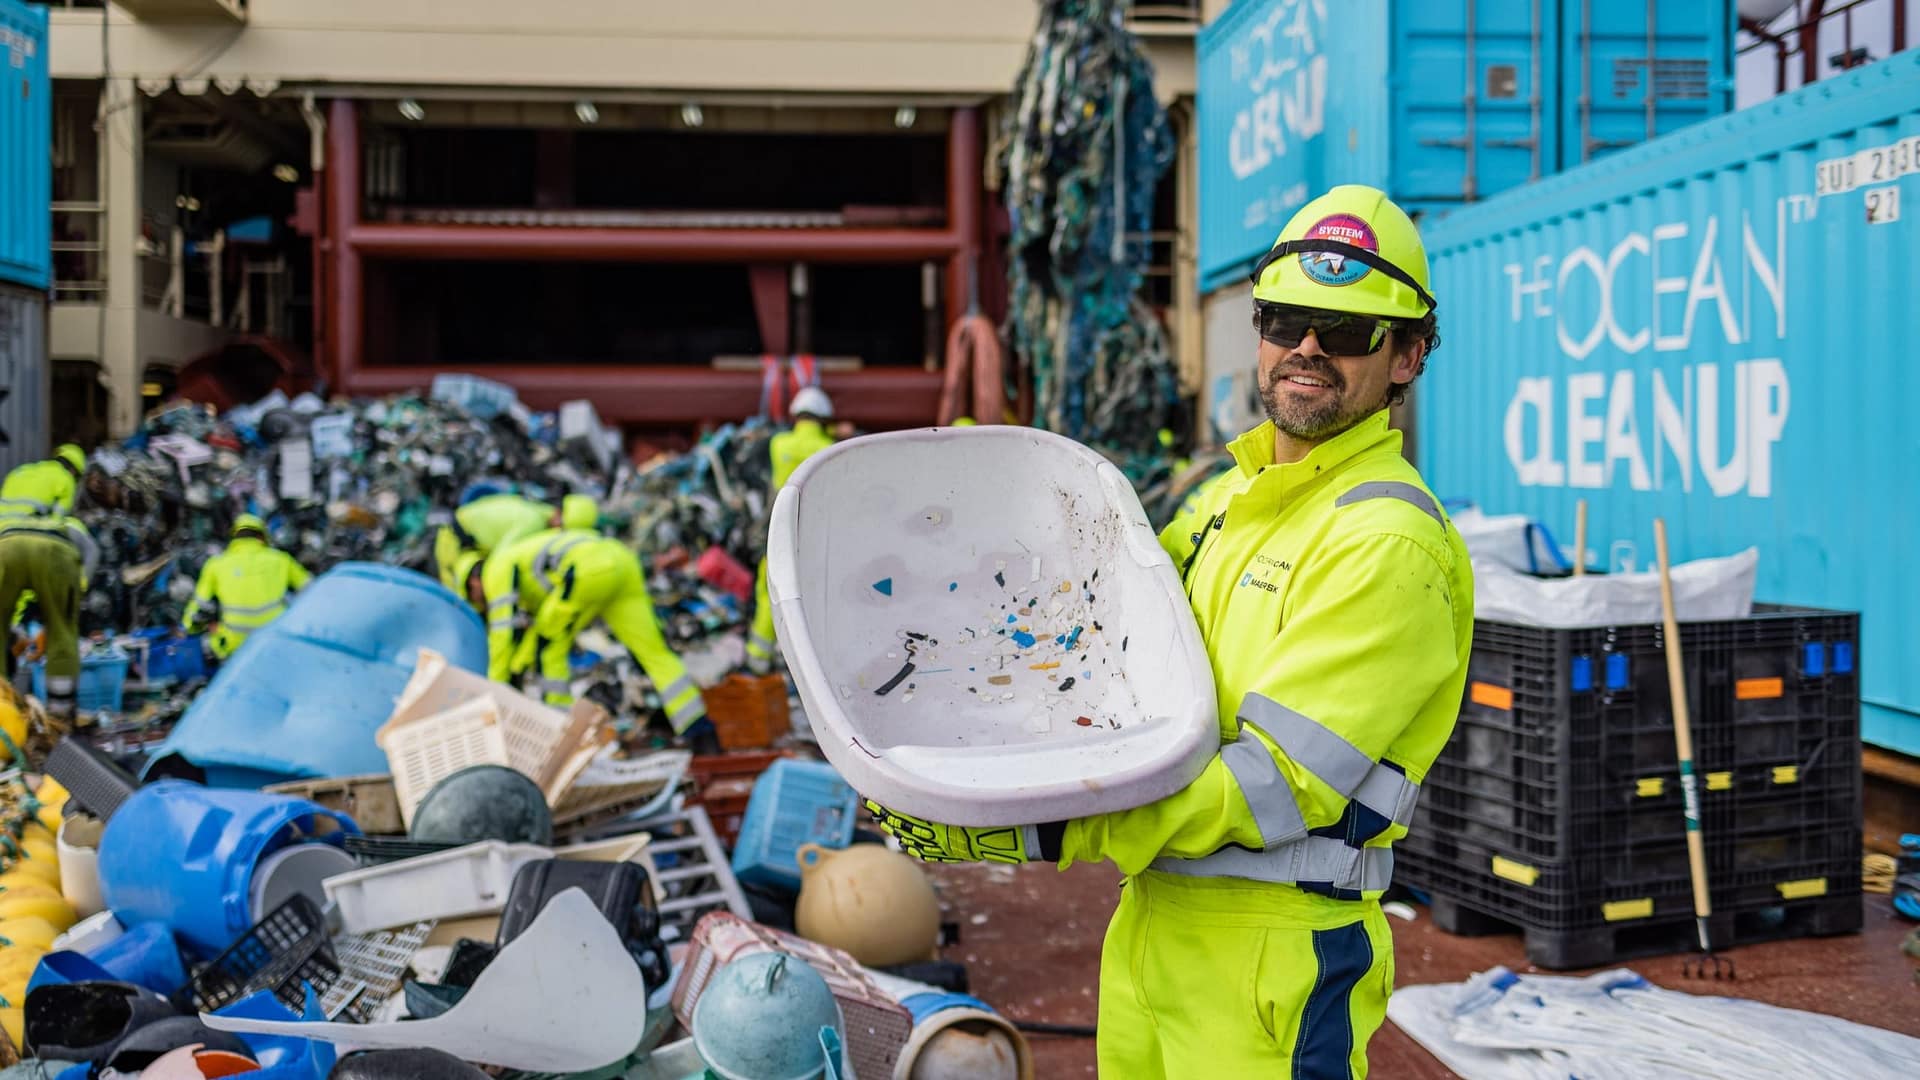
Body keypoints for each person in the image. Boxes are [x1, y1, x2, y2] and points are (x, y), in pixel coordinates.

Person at [864, 186, 1474, 1078]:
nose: (1306, 348)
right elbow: (1102, 666)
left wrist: (1039, 829)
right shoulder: (1224, 502)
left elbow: (1270, 785)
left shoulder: (1387, 543)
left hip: (1274, 951)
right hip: (1151, 921)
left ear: (1409, 355)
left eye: (1345, 331)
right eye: (1285, 319)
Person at [457, 530, 717, 749]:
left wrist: (495, 689)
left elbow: (504, 635)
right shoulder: (520, 557)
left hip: (587, 570)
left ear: (473, 580)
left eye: (473, 595)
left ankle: (559, 738)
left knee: (549, 652)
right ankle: (699, 731)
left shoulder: (495, 569)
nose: (480, 601)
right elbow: (534, 631)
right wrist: (517, 667)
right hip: (621, 563)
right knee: (654, 652)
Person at [747, 387, 837, 674]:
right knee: (809, 599)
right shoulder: (827, 448)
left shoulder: (779, 443)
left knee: (769, 592)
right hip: (810, 534)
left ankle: (758, 658)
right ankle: (803, 665)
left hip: (777, 529)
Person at [0, 512, 99, 721]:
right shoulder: (70, 523)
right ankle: (59, 715)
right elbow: (92, 550)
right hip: (55, 551)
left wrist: (14, 631)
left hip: (6, 547)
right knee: (62, 633)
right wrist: (80, 587)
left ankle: (3, 707)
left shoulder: (9, 517)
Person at [181, 514, 313, 659]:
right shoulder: (281, 559)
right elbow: (313, 591)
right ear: (262, 537)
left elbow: (196, 612)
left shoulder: (216, 564)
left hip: (233, 648)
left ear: (234, 538)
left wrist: (194, 626)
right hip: (275, 642)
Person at [434, 492, 599, 592]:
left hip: (463, 537)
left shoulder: (535, 510)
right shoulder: (533, 523)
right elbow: (500, 561)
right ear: (558, 513)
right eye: (562, 527)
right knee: (457, 603)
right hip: (454, 543)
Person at [0, 444, 85, 521]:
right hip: (27, 531)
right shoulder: (66, 478)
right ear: (73, 471)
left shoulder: (19, 471)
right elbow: (57, 521)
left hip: (2, 530)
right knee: (75, 525)